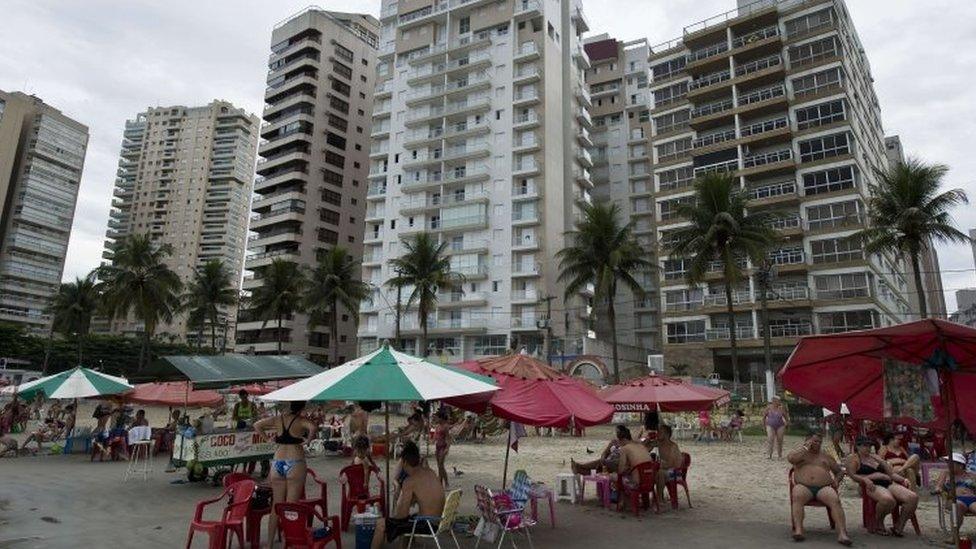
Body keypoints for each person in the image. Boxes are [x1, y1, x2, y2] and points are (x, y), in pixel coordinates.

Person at [254, 400, 316, 548]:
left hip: (277, 462)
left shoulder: (278, 418)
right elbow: (313, 427)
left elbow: (257, 425)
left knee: (277, 504)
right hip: (295, 461)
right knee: (290, 507)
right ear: (302, 407)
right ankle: (290, 543)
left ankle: (269, 544)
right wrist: (307, 440)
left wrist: (267, 438)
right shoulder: (301, 421)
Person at [371, 440, 445, 549]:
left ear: (404, 462)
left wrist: (399, 499)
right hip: (439, 521)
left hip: (427, 524)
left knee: (381, 524)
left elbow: (401, 515)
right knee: (408, 521)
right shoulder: (430, 472)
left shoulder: (410, 481)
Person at [844, 436, 918, 536]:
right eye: (865, 445)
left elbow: (891, 474)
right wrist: (867, 478)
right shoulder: (853, 458)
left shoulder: (875, 457)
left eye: (870, 445)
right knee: (888, 500)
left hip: (888, 483)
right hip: (872, 485)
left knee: (913, 498)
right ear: (857, 446)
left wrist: (903, 479)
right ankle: (878, 522)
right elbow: (852, 475)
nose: (868, 448)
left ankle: (898, 527)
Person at [787, 431, 852, 545]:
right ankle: (798, 529)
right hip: (803, 486)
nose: (818, 444)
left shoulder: (825, 456)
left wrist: (836, 480)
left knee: (834, 499)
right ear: (807, 441)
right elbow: (791, 459)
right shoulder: (800, 454)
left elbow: (839, 472)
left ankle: (842, 533)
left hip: (823, 487)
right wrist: (805, 448)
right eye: (815, 441)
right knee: (797, 494)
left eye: (819, 442)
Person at [936, 452, 976, 532]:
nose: (948, 465)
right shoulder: (946, 473)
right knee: (958, 505)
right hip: (954, 499)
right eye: (948, 462)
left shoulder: (971, 475)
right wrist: (940, 490)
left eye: (951, 463)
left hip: (973, 499)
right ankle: (955, 536)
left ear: (960, 465)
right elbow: (938, 487)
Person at [648, 425, 683, 507]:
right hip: (665, 469)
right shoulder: (659, 443)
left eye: (660, 432)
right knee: (651, 473)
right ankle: (655, 497)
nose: (658, 433)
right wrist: (648, 440)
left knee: (660, 473)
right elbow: (646, 448)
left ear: (667, 434)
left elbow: (671, 464)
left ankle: (659, 498)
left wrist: (659, 465)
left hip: (675, 472)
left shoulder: (672, 446)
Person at [615, 425, 654, 489]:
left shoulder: (625, 448)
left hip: (637, 482)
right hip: (650, 480)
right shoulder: (641, 446)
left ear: (622, 439)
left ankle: (622, 498)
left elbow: (620, 470)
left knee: (613, 477)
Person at [432, 409, 454, 488]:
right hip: (437, 447)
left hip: (443, 447)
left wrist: (447, 448)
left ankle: (444, 482)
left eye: (437, 418)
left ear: (441, 418)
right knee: (439, 466)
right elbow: (435, 437)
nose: (436, 419)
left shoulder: (445, 426)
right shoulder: (437, 426)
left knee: (441, 465)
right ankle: (442, 482)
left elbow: (448, 438)